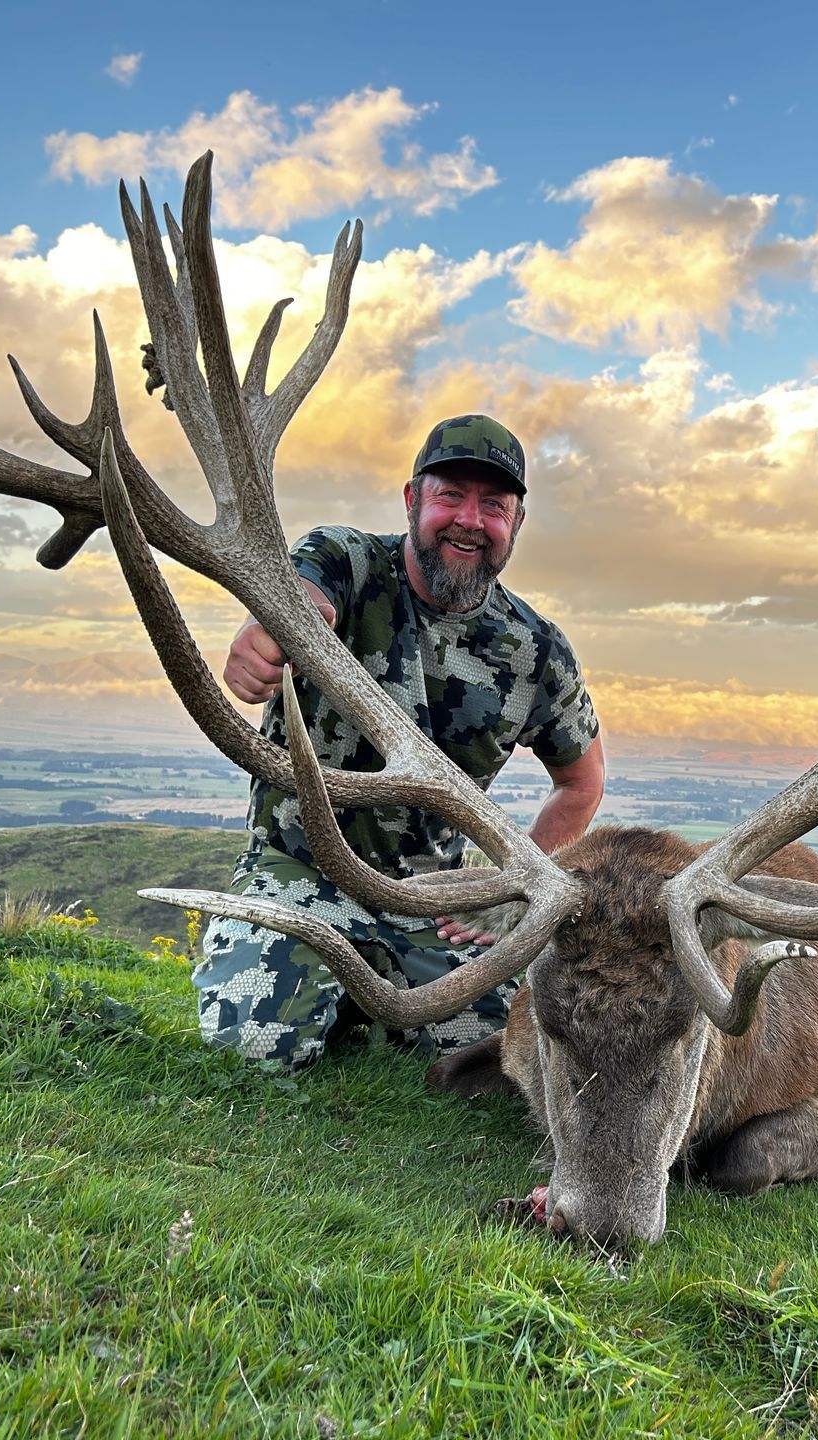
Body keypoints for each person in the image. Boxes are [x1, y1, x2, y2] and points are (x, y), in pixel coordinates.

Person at [192, 414, 605, 1067]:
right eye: (450, 496)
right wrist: (268, 633)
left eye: (493, 505)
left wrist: (507, 891)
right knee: (255, 1050)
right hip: (302, 869)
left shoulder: (537, 650)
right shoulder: (347, 562)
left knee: (499, 1063)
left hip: (428, 898)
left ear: (516, 524)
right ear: (413, 500)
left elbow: (581, 783)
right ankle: (314, 975)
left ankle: (362, 993)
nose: (470, 518)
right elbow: (296, 599)